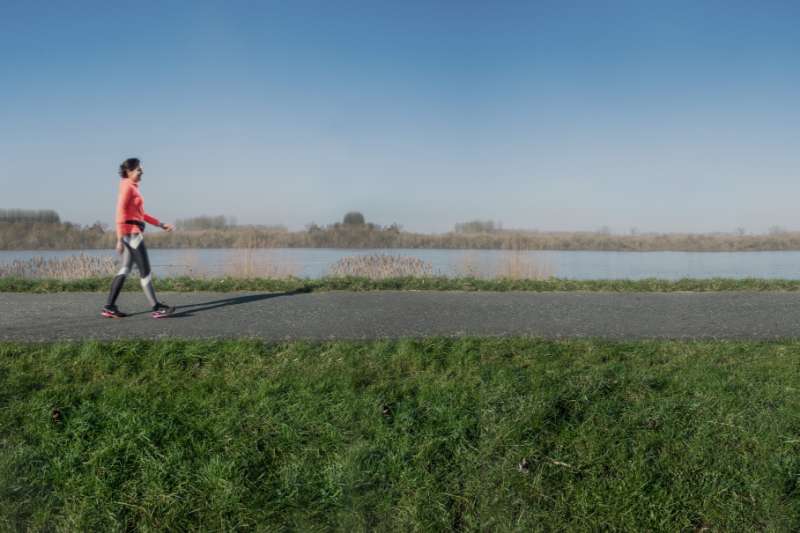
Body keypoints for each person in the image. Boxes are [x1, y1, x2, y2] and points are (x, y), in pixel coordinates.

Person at [102, 158, 176, 318]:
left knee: (125, 268)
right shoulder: (127, 188)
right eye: (138, 170)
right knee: (145, 270)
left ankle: (109, 307)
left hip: (130, 233)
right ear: (129, 171)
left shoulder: (131, 187)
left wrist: (160, 224)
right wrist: (119, 238)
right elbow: (120, 212)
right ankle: (156, 308)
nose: (142, 172)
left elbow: (141, 214)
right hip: (131, 234)